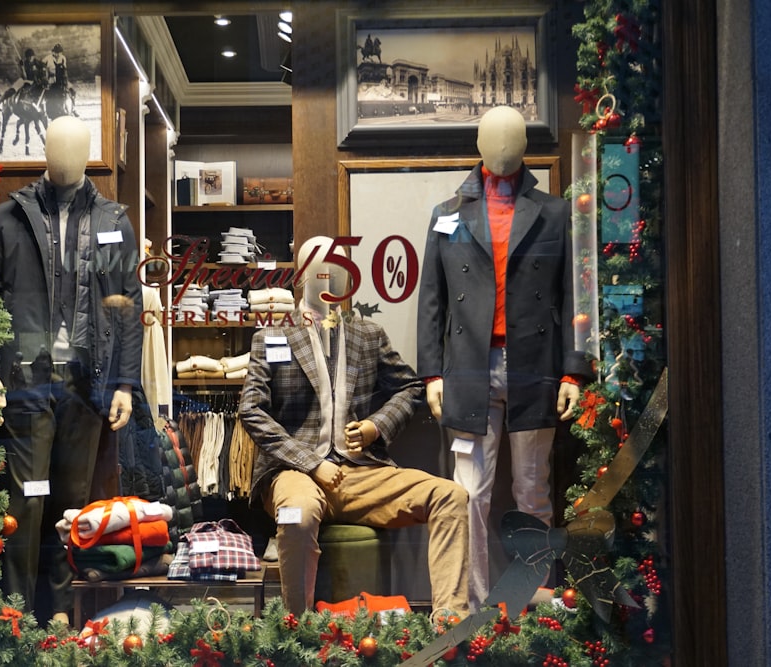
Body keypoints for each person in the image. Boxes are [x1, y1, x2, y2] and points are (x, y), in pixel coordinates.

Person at [416, 106, 593, 612]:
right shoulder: (446, 214)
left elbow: (575, 297)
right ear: (478, 143)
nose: (502, 147)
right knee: (469, 494)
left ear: (524, 145)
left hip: (534, 365)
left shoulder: (555, 212)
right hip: (468, 369)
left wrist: (572, 371)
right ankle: (467, 606)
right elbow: (433, 300)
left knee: (532, 490)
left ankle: (529, 598)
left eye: (512, 138)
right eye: (494, 138)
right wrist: (432, 373)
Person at [240, 236, 470, 615]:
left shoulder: (368, 334)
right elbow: (251, 411)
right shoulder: (272, 337)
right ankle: (296, 630)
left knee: (451, 497)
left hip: (361, 475)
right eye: (319, 266)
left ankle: (450, 622)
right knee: (296, 517)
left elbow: (411, 389)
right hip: (294, 475)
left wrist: (375, 427)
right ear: (301, 276)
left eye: (339, 267)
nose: (330, 275)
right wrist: (310, 462)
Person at [0, 116, 144, 625]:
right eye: (58, 146)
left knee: (70, 507)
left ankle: (59, 620)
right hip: (27, 382)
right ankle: (15, 619)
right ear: (46, 152)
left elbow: (127, 306)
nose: (66, 155)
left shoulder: (113, 220)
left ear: (88, 154)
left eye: (75, 148)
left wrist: (123, 382)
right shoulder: (9, 216)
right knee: (25, 505)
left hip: (85, 382)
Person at [49, 43, 78, 117]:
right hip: (52, 79)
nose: (58, 54)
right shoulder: (49, 58)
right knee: (50, 93)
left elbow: (64, 70)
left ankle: (74, 108)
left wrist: (65, 79)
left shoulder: (63, 58)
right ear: (54, 52)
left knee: (73, 91)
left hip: (61, 79)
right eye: (56, 52)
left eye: (59, 52)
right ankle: (50, 110)